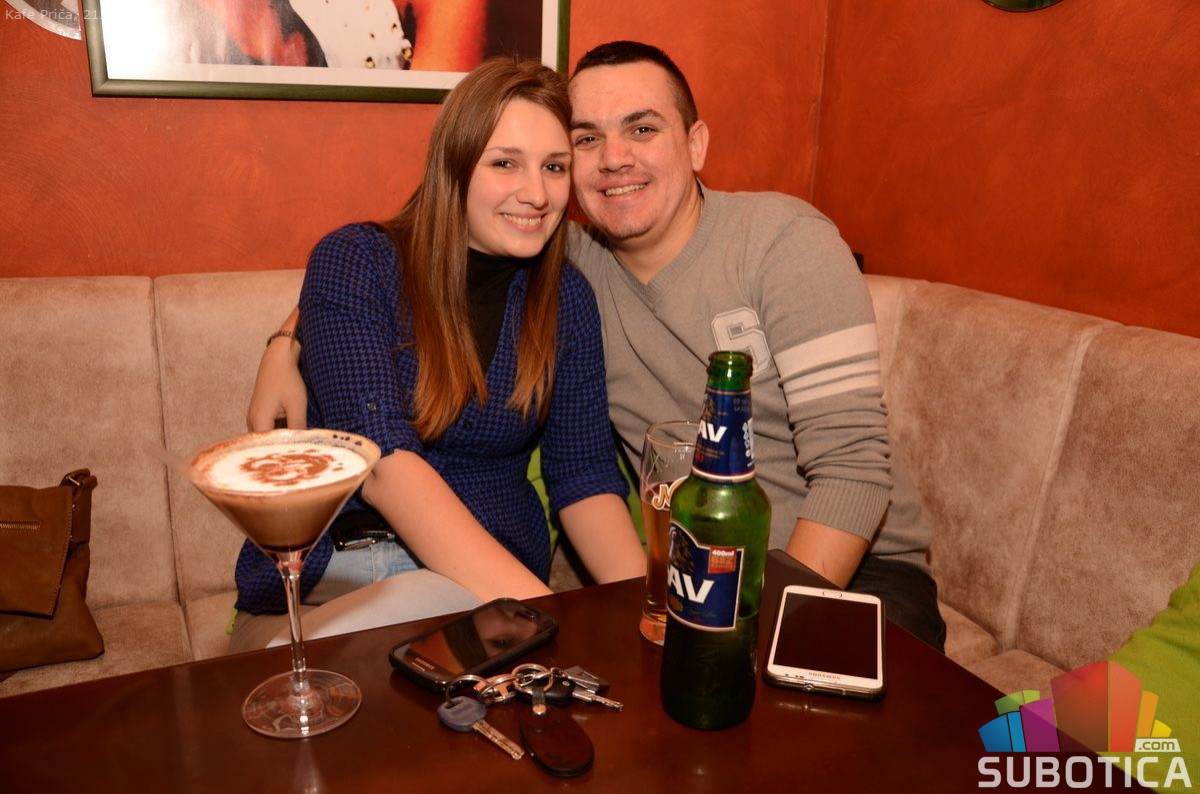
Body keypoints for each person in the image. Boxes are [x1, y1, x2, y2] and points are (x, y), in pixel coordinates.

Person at [249, 41, 946, 651]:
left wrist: (722, 627)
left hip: (847, 569)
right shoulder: (561, 264)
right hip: (384, 570)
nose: (613, 159)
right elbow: (389, 275)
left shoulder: (767, 245)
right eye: (586, 141)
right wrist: (289, 338)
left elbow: (851, 467)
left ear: (696, 144)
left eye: (641, 128)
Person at [231, 57, 645, 652]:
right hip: (328, 589)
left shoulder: (566, 300)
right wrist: (551, 620)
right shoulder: (357, 262)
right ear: (455, 164)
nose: (536, 194)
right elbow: (382, 463)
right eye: (505, 163)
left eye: (554, 167)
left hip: (479, 594)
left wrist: (647, 616)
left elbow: (583, 478)